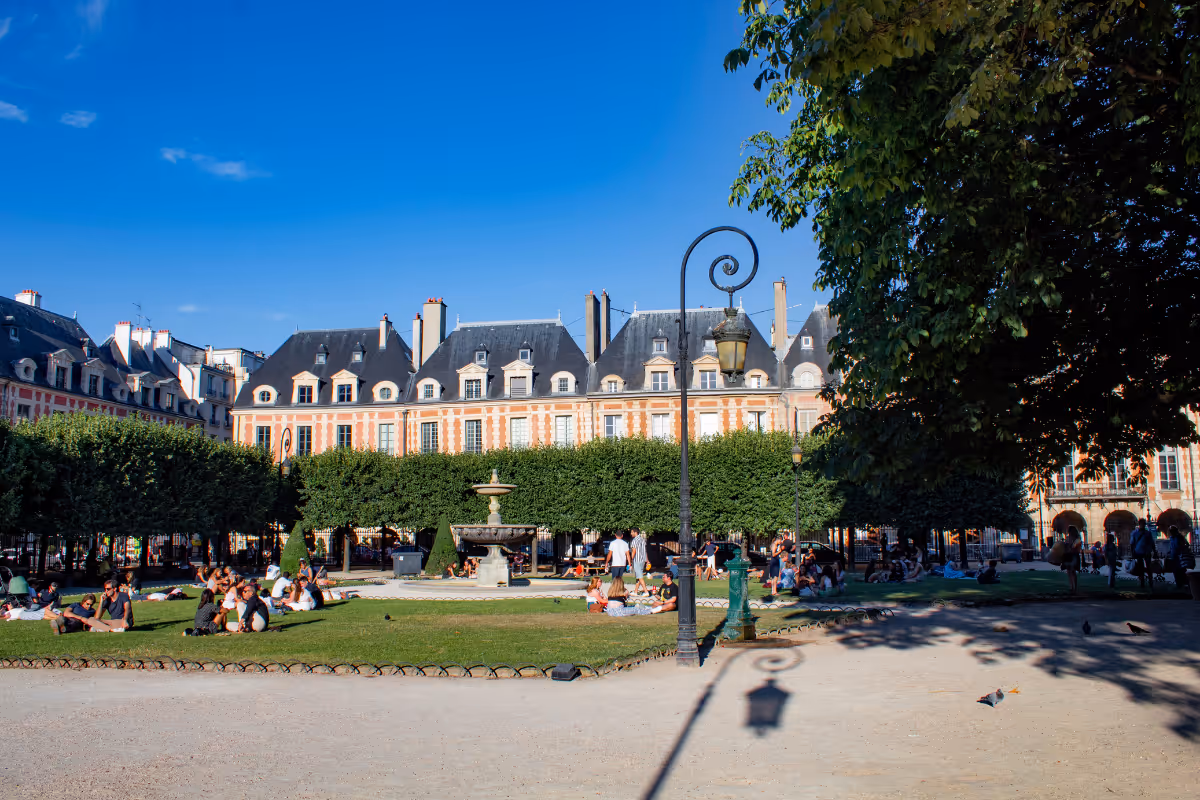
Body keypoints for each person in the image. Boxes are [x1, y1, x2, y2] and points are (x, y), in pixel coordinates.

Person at [1165, 525, 1195, 589]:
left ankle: (1185, 584)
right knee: (1176, 571)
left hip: (1180, 557)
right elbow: (1172, 547)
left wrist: (1181, 549)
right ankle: (1179, 584)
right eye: (1171, 531)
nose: (1171, 532)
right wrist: (1169, 553)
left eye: (1172, 531)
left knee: (1181, 571)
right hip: (1174, 557)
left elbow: (1184, 545)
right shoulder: (1172, 538)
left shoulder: (1179, 537)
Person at [1062, 526, 1083, 595]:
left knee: (1071, 571)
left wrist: (1070, 546)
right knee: (1071, 571)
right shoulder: (1076, 539)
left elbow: (1075, 548)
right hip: (1072, 555)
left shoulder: (1074, 539)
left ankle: (1072, 586)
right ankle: (1073, 586)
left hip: (1071, 555)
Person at [629, 528, 649, 594]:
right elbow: (645, 551)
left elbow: (634, 551)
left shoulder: (634, 540)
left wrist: (630, 559)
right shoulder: (642, 539)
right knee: (638, 576)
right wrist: (647, 560)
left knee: (640, 576)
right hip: (642, 560)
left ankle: (646, 591)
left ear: (635, 532)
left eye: (632, 532)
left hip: (637, 560)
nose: (631, 534)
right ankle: (635, 591)